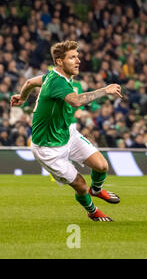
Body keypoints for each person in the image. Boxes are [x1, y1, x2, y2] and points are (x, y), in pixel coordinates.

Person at [10, 40, 122, 222]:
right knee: (81, 186)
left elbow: (30, 82)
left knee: (102, 166)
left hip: (66, 133)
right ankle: (92, 211)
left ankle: (97, 189)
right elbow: (76, 101)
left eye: (77, 56)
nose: (78, 60)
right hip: (48, 148)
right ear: (60, 62)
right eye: (72, 57)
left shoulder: (52, 77)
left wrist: (22, 98)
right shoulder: (57, 82)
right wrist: (105, 90)